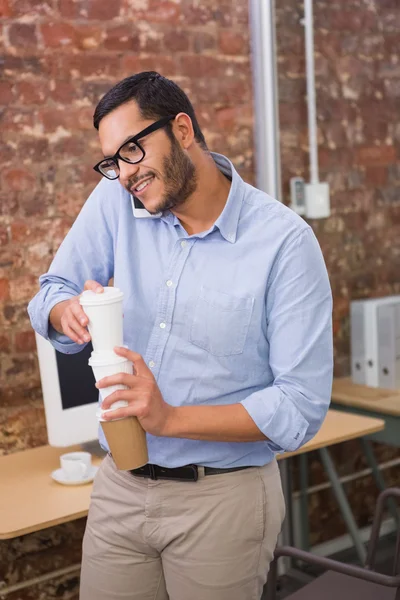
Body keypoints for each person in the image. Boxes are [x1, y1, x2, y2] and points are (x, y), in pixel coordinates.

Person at [28, 71, 333, 600]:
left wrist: (169, 418)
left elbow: (300, 405)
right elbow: (50, 289)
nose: (123, 175)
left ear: (183, 130)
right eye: (112, 161)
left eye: (132, 150)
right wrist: (66, 312)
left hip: (223, 500)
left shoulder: (284, 243)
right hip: (120, 486)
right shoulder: (115, 201)